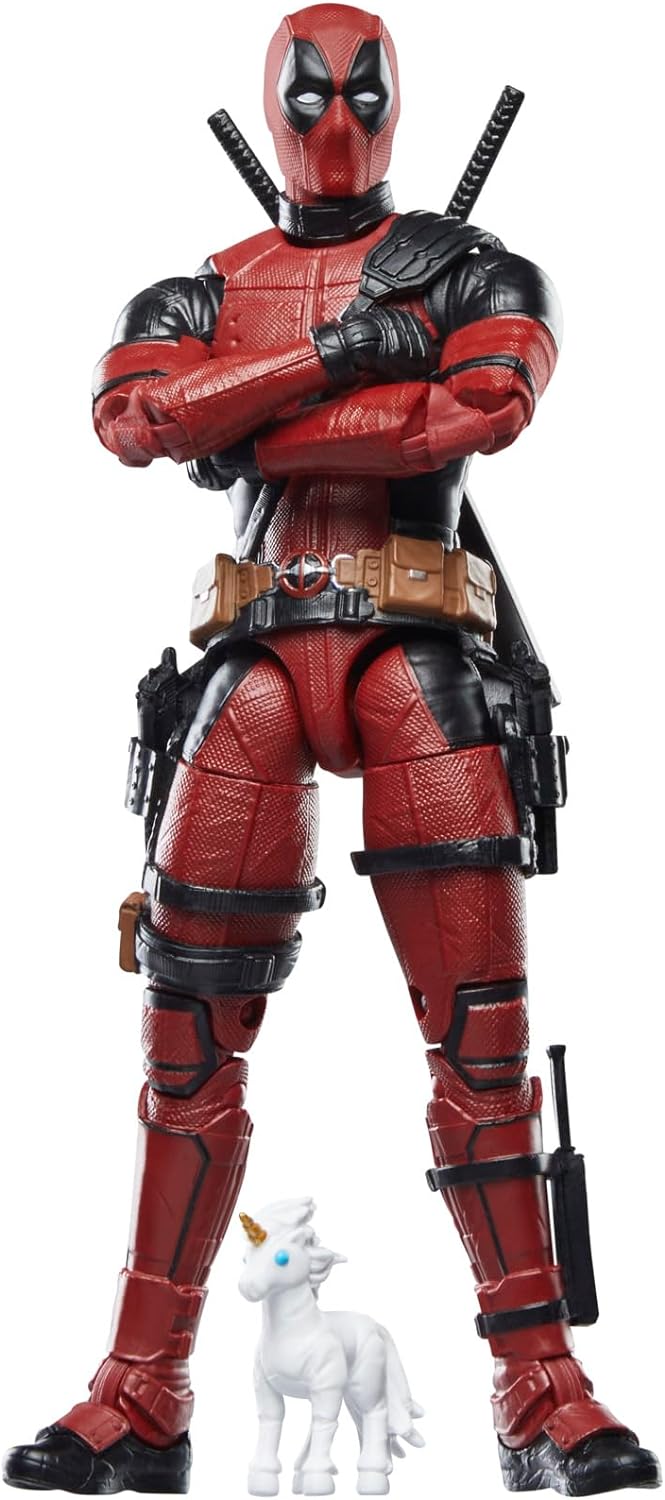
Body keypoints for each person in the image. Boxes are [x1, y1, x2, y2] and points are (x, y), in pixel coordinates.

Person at [3, 4, 660, 1494]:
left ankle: (539, 1387)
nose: (338, 120)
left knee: (482, 1047)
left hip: (418, 661)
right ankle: (140, 1391)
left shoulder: (477, 272)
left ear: (397, 102)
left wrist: (244, 418)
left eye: (366, 91)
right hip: (246, 669)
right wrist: (339, 357)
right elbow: (131, 419)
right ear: (273, 101)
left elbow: (476, 411)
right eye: (311, 93)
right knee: (184, 1049)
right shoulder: (199, 285)